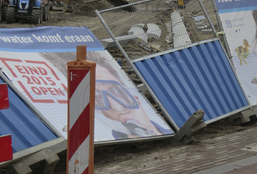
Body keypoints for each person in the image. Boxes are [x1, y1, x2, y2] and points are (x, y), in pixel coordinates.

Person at [41, 51, 173, 139]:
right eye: (97, 97)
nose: (117, 107)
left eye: (115, 91)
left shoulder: (168, 131)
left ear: (136, 97)